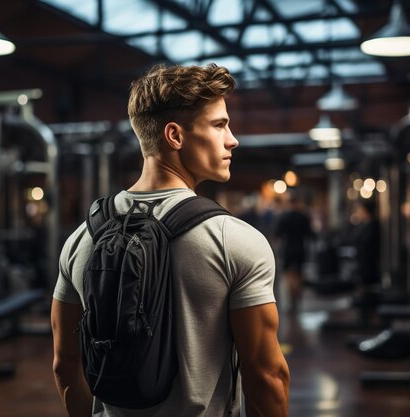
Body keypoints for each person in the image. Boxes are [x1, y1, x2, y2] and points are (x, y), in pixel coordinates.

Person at [51, 63, 290, 417]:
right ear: (175, 136)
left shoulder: (81, 239)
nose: (232, 139)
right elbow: (267, 375)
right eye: (219, 125)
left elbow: (66, 367)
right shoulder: (234, 240)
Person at [275, 192, 312, 314]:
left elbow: (277, 234)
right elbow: (311, 234)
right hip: (301, 248)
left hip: (288, 249)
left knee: (289, 275)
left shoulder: (284, 217)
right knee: (300, 273)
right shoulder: (304, 217)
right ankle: (298, 297)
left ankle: (292, 300)